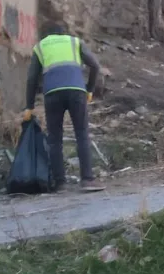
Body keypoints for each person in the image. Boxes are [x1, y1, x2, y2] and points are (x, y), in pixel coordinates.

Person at [23, 24, 105, 192]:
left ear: (47, 36)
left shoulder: (40, 46)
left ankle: (60, 183)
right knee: (82, 134)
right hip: (77, 92)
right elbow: (95, 65)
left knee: (54, 139)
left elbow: (32, 79)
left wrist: (29, 106)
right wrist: (89, 89)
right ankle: (87, 180)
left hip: (52, 94)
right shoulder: (75, 42)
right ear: (63, 34)